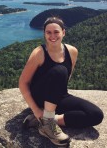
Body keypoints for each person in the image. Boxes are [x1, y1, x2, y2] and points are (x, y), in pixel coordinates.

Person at [19, 16, 104, 146]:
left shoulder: (72, 51)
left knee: (95, 114)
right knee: (60, 70)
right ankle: (47, 124)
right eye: (48, 32)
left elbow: (66, 77)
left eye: (56, 32)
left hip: (58, 95)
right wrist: (36, 110)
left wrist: (51, 104)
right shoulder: (39, 53)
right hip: (40, 95)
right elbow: (23, 83)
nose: (52, 35)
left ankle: (46, 120)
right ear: (44, 34)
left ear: (63, 32)